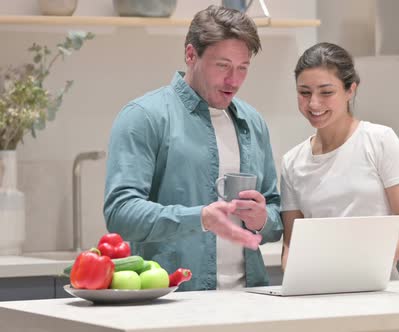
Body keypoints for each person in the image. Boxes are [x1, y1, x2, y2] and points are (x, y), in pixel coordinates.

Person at [103, 5, 282, 291]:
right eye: (222, 66)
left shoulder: (252, 122)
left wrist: (263, 219)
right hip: (172, 299)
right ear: (190, 55)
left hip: (251, 298)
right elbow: (120, 214)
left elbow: (275, 209)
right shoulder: (144, 116)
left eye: (243, 68)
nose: (234, 81)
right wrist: (200, 218)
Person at [280, 42, 399, 278]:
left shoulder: (380, 141)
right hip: (317, 292)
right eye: (304, 92)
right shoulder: (292, 162)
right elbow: (291, 242)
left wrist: (373, 268)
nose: (314, 103)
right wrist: (296, 277)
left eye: (326, 92)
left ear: (350, 90)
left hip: (376, 289)